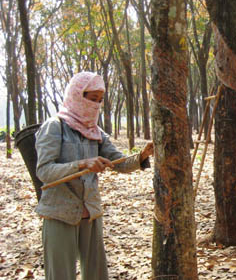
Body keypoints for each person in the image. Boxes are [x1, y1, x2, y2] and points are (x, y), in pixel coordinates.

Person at [35, 72, 154, 280]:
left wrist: (142, 155)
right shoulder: (54, 127)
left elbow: (119, 163)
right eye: (92, 99)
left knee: (97, 274)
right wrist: (81, 164)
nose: (96, 105)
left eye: (100, 101)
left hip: (90, 213)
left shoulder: (96, 131)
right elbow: (44, 171)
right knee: (60, 275)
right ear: (77, 95)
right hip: (59, 213)